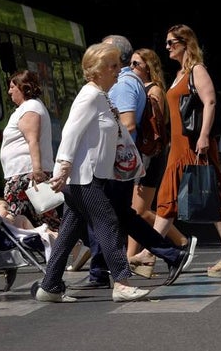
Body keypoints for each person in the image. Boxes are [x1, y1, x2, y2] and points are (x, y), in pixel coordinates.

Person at [74, 35, 193, 290]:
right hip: (115, 165)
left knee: (107, 216)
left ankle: (105, 271)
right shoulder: (125, 82)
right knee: (119, 216)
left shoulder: (124, 84)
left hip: (116, 166)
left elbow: (126, 124)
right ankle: (168, 255)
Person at [34, 42, 150, 303]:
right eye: (112, 66)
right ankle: (121, 282)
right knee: (108, 222)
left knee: (69, 232)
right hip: (82, 178)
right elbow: (70, 132)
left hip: (88, 177)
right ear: (96, 70)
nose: (118, 70)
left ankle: (50, 286)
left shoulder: (101, 95)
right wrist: (63, 166)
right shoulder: (90, 95)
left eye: (118, 64)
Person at [153, 25, 221, 277]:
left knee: (210, 193)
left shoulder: (196, 70)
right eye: (167, 42)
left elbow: (210, 101)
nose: (167, 47)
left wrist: (203, 136)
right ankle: (150, 250)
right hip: (179, 146)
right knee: (168, 197)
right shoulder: (180, 73)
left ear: (185, 43)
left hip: (194, 144)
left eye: (172, 42)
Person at [126, 47, 190, 274]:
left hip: (150, 155)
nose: (131, 68)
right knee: (136, 211)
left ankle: (180, 241)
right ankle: (137, 259)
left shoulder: (153, 91)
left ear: (148, 68)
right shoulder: (139, 88)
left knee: (139, 211)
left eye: (136, 64)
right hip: (142, 154)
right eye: (130, 63)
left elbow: (154, 128)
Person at [0, 70, 59, 229]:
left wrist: (37, 170)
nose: (9, 91)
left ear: (23, 87)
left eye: (12, 87)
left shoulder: (30, 107)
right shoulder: (27, 107)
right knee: (44, 219)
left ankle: (71, 249)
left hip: (26, 174)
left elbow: (33, 140)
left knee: (14, 216)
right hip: (24, 172)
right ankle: (70, 250)